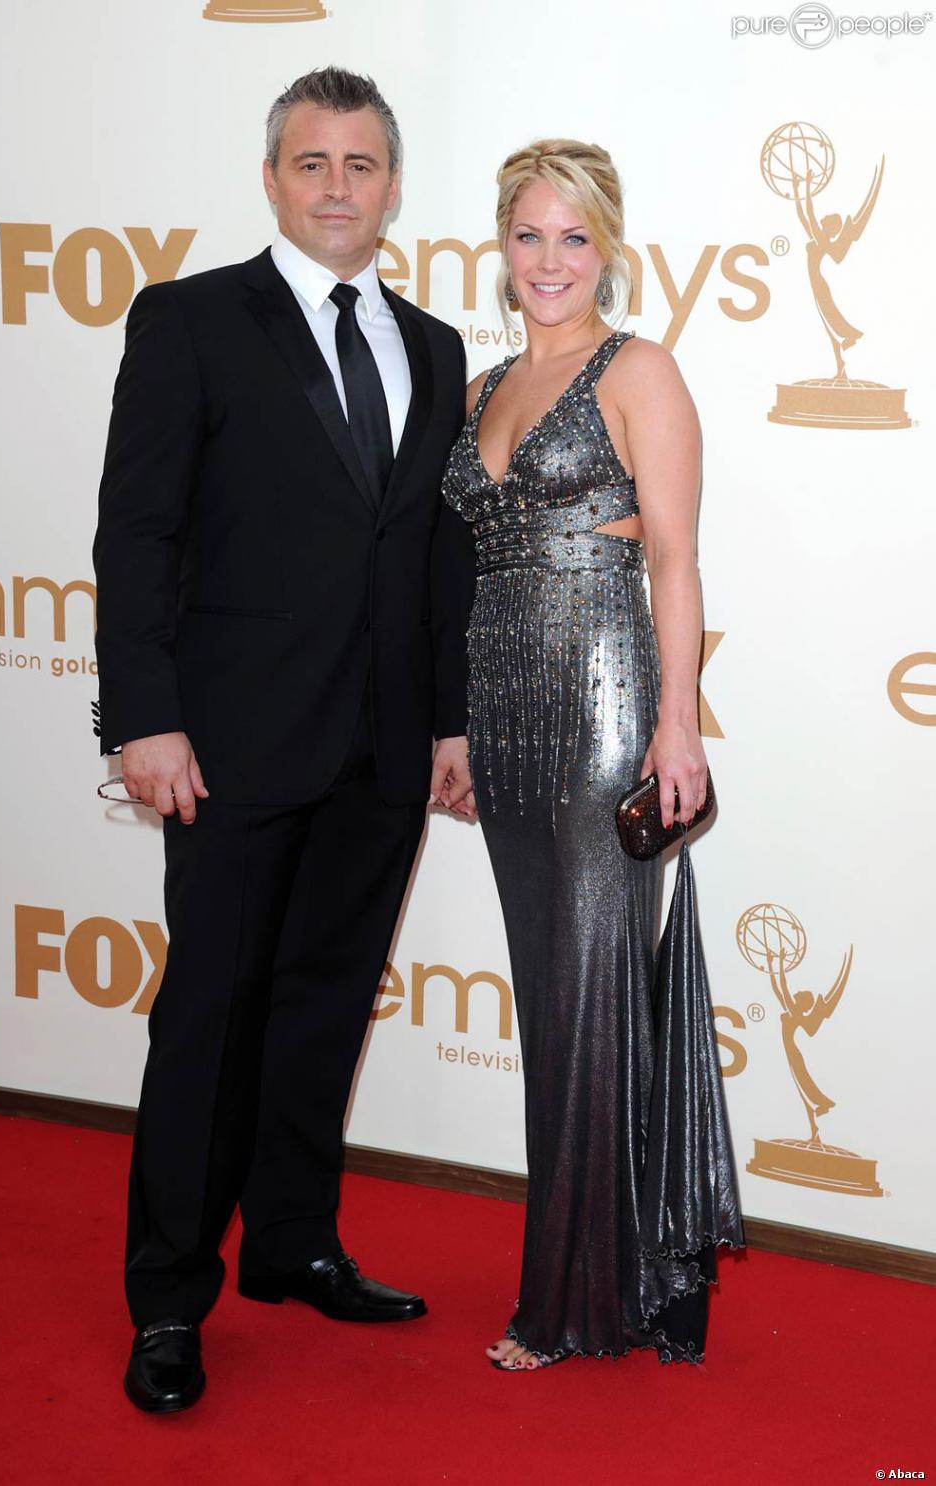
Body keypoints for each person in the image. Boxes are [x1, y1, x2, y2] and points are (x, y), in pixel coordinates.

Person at [93, 66, 476, 1413]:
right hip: (234, 742)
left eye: (360, 164)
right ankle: (167, 1299)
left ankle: (295, 1240)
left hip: (378, 745)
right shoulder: (191, 320)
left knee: (322, 1003)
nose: (336, 187)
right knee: (209, 1015)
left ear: (389, 185)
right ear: (271, 179)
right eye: (311, 163)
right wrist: (142, 713)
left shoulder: (431, 347)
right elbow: (137, 531)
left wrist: (447, 720)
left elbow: (432, 553)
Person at [440, 138, 743, 1370]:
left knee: (589, 984)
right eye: (527, 235)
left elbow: (672, 555)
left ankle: (571, 1300)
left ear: (606, 245)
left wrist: (677, 720)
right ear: (499, 245)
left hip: (607, 696)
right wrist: (452, 727)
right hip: (502, 709)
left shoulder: (639, 371)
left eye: (572, 236)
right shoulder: (479, 388)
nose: (548, 259)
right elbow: (459, 565)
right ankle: (599, 1258)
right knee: (557, 999)